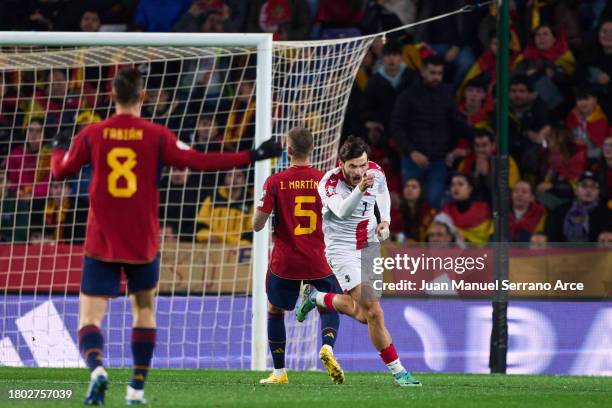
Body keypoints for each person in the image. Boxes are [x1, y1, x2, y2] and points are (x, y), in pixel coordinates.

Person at [50, 67, 281, 405]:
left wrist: (58, 148)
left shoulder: (93, 133)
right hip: (142, 244)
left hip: (101, 243)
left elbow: (59, 172)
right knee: (144, 312)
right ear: (142, 97)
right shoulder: (157, 135)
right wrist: (252, 155)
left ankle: (97, 369)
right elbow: (199, 161)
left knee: (89, 317)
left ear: (112, 96)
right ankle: (136, 389)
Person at [295, 136, 421, 387]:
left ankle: (317, 297)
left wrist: (385, 219)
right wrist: (360, 189)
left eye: (362, 165)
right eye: (352, 166)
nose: (359, 171)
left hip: (369, 246)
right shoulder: (328, 183)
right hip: (341, 250)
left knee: (366, 316)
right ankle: (399, 372)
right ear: (341, 164)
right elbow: (341, 210)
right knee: (374, 311)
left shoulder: (376, 172)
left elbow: (383, 192)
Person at [253, 127, 344, 385]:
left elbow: (258, 225)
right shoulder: (325, 181)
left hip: (286, 262)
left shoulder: (274, 181)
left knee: (274, 310)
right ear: (312, 149)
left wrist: (262, 215)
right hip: (319, 259)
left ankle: (280, 373)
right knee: (327, 304)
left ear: (288, 150)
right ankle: (327, 347)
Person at [391, 55, 472, 208]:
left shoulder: (447, 95)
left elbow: (456, 123)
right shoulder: (408, 96)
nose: (436, 77)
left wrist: (474, 137)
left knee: (434, 201)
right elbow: (396, 127)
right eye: (433, 73)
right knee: (411, 203)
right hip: (412, 159)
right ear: (423, 72)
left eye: (439, 73)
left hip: (438, 160)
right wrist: (412, 151)